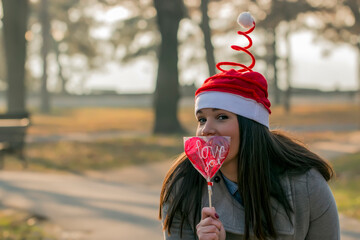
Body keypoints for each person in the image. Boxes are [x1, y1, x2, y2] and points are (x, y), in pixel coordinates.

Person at [159, 12, 340, 240]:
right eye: (202, 119)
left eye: (222, 116)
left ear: (251, 125)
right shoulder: (183, 185)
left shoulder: (306, 186)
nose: (206, 130)